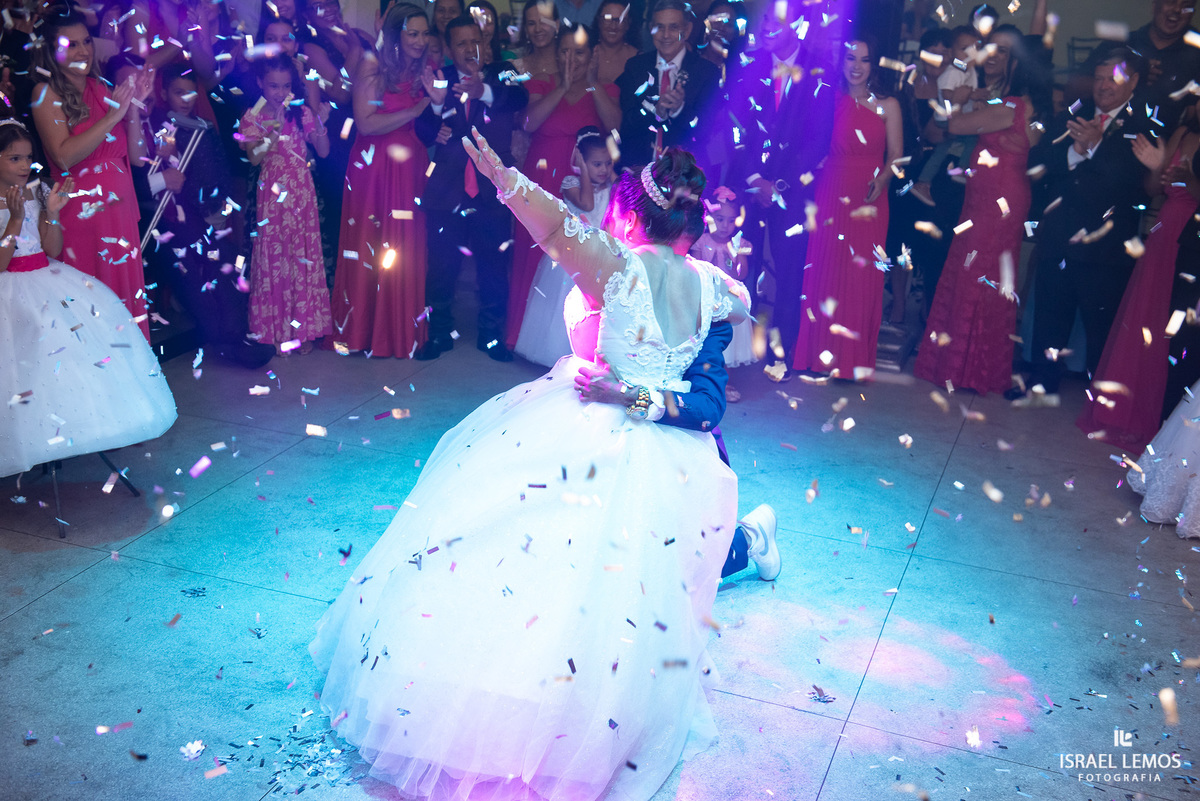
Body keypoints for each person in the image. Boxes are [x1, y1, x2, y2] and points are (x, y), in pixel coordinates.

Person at [311, 123, 749, 798]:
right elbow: (710, 405)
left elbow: (554, 228)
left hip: (603, 427)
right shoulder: (717, 291)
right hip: (675, 453)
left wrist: (504, 179)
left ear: (637, 210)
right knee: (628, 590)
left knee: (537, 558)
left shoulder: (616, 264)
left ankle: (532, 704)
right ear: (692, 220)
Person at [0, 121, 176, 479]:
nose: (23, 166)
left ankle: (67, 438)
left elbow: (52, 249)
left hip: (44, 279)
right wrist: (15, 220)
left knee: (68, 353)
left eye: (28, 158)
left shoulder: (33, 192)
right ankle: (25, 447)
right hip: (10, 290)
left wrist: (51, 212)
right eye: (14, 158)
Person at [1014, 49, 1154, 406]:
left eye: (1114, 79)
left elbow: (1135, 184)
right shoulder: (1071, 116)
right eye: (1100, 78)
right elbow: (1038, 163)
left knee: (1101, 330)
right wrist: (1075, 152)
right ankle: (1044, 385)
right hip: (1060, 237)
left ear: (1133, 82)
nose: (1104, 86)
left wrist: (1095, 148)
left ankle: (1100, 403)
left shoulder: (1145, 124)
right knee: (1050, 320)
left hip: (1106, 249)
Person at [913, 24, 1038, 396]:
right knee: (980, 272)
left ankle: (966, 370)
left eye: (1003, 52)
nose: (993, 56)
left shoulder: (1011, 104)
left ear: (1018, 62)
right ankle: (967, 366)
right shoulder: (1009, 101)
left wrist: (964, 96)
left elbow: (955, 122)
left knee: (976, 274)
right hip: (988, 197)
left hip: (997, 201)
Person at [1077, 116, 1200, 447]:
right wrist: (1159, 168)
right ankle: (1125, 414)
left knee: (1169, 331)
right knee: (1145, 321)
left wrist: (1191, 182)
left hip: (1190, 238)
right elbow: (1152, 188)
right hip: (1164, 230)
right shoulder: (1183, 130)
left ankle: (1154, 420)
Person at [412, 15, 529, 361]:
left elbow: (518, 98)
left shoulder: (503, 72)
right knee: (442, 266)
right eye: (460, 42)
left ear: (485, 41)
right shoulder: (440, 78)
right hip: (446, 186)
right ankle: (439, 334)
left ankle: (492, 336)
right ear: (449, 49)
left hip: (491, 186)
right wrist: (435, 105)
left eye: (474, 40)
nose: (469, 48)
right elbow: (422, 130)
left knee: (493, 264)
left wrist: (484, 92)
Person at [30, 11, 152, 340]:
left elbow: (138, 157)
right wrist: (114, 117)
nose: (83, 51)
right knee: (92, 307)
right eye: (71, 45)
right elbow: (63, 155)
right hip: (84, 215)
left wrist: (135, 107)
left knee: (125, 306)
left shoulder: (101, 88)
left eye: (86, 42)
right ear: (51, 51)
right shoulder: (46, 94)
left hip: (119, 215)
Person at [727, 0, 833, 374]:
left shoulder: (820, 70)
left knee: (791, 273)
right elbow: (736, 125)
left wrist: (781, 185)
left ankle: (780, 355)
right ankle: (732, 352)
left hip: (794, 190)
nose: (770, 26)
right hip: (749, 185)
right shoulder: (749, 65)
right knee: (739, 264)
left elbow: (819, 139)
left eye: (779, 21)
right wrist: (756, 179)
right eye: (766, 19)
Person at [791, 36, 902, 381]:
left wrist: (882, 180)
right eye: (850, 58)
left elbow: (897, 158)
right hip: (831, 191)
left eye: (865, 60)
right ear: (841, 61)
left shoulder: (889, 105)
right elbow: (809, 146)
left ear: (874, 66)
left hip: (869, 198)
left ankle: (850, 363)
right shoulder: (827, 101)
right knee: (824, 272)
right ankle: (816, 357)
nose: (856, 66)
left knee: (860, 276)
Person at [330, 4, 438, 358]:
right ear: (395, 34)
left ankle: (400, 332)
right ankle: (364, 332)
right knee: (370, 245)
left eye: (424, 33)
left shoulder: (424, 68)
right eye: (413, 33)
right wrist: (412, 111)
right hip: (374, 170)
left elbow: (435, 120)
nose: (421, 41)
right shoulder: (373, 65)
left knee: (405, 249)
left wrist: (435, 107)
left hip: (410, 170)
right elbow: (365, 123)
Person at [505, 21, 621, 348]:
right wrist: (563, 86)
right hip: (541, 175)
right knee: (531, 252)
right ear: (557, 54)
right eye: (566, 51)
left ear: (593, 54)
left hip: (585, 182)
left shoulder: (607, 89)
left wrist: (591, 82)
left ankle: (567, 342)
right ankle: (521, 336)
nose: (572, 58)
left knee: (575, 257)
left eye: (580, 52)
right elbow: (529, 123)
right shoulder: (543, 83)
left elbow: (614, 125)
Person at [238, 54, 333, 355]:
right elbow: (253, 157)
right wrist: (272, 133)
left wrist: (320, 127)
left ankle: (303, 332)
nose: (280, 92)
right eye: (273, 86)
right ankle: (276, 332)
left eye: (286, 86)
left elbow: (324, 150)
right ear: (260, 83)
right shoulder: (252, 117)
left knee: (301, 257)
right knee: (275, 261)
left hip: (302, 192)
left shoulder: (300, 112)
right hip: (273, 195)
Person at [514, 126, 615, 366]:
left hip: (595, 256)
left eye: (607, 164)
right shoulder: (571, 182)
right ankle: (553, 355)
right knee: (561, 303)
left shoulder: (610, 187)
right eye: (596, 164)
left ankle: (583, 354)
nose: (604, 170)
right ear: (580, 160)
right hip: (571, 254)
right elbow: (588, 205)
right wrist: (582, 171)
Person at [615, 0, 719, 168]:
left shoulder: (706, 72)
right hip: (638, 169)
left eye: (673, 27)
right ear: (651, 29)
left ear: (687, 30)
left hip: (683, 174)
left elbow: (705, 133)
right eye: (659, 27)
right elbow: (625, 125)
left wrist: (678, 109)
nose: (665, 35)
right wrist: (655, 111)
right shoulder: (636, 67)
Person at [1074, 0, 1200, 130]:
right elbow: (1073, 90)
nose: (1177, 10)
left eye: (1187, 6)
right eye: (1171, 2)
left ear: (1193, 13)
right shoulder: (1121, 44)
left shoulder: (1195, 55)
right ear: (1154, 5)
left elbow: (1192, 119)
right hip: (1105, 138)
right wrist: (1129, 76)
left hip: (1163, 144)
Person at [689, 186, 754, 400]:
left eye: (731, 220)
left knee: (729, 344)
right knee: (704, 343)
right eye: (720, 219)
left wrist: (738, 254)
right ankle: (699, 379)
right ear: (708, 217)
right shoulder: (701, 241)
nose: (726, 226)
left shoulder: (739, 243)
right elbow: (697, 268)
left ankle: (726, 382)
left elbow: (741, 274)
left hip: (730, 297)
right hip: (707, 295)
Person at [909, 25, 982, 207]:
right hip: (908, 169)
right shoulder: (906, 90)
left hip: (943, 175)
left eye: (944, 53)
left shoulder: (957, 85)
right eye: (933, 52)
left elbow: (946, 133)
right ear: (921, 55)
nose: (939, 59)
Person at [593, 0, 638, 85]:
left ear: (628, 24)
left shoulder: (638, 59)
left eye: (620, 20)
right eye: (607, 19)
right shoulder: (585, 55)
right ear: (598, 21)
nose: (613, 26)